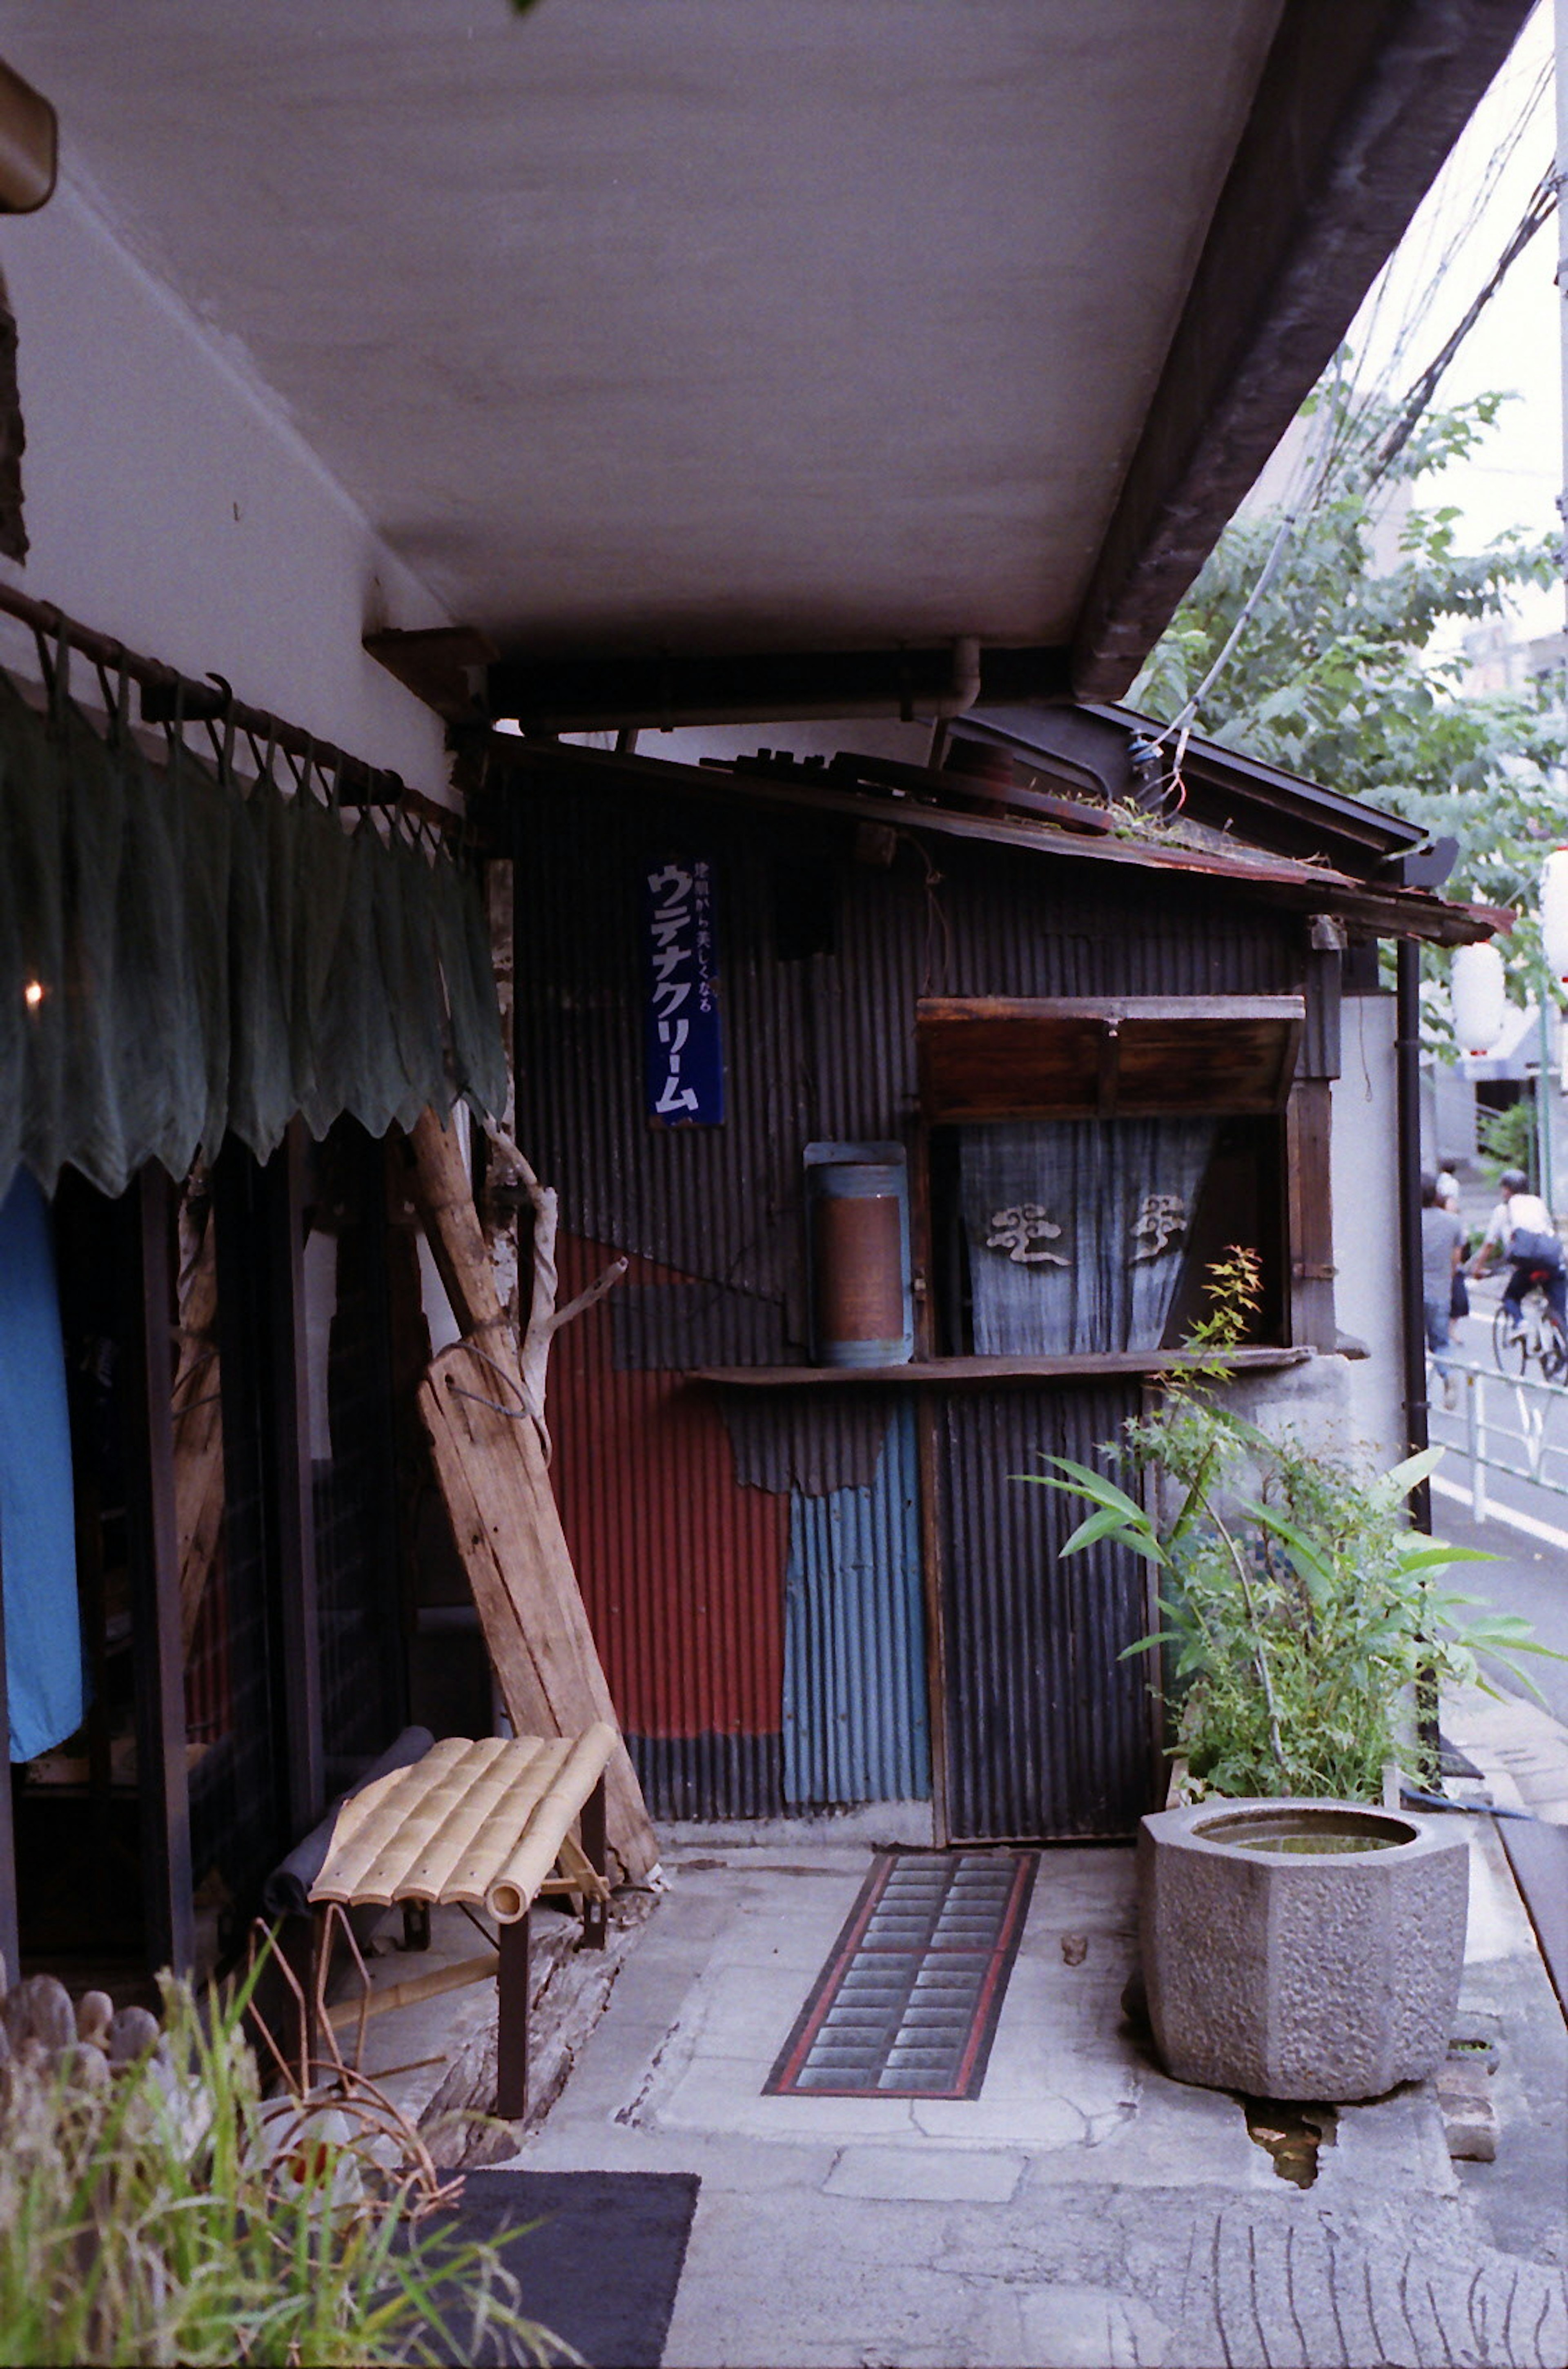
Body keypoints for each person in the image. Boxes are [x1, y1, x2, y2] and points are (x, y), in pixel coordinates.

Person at [1470, 1168, 1568, 1337]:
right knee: (1559, 1311)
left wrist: (1477, 1269)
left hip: (1528, 1265)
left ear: (1507, 1189)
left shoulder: (1503, 1210)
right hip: (1554, 1261)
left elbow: (1489, 1245)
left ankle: (1519, 1323)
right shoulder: (1537, 1202)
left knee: (1511, 1298)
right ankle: (1562, 1344)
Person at [1420, 1172, 1463, 1410]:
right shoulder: (1452, 1222)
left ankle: (1415, 1392)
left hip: (1412, 1293)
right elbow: (1456, 1259)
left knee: (1410, 1343)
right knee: (1441, 1342)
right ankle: (1447, 1374)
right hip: (1439, 1290)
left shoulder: (1408, 1220)